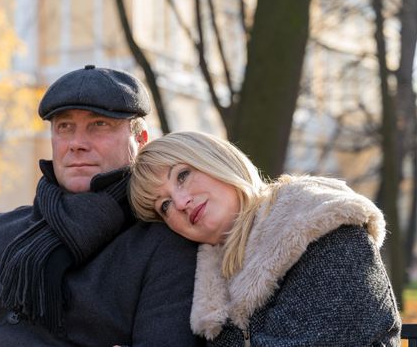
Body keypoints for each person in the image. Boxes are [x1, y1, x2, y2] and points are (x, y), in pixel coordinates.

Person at [0, 66, 204, 346]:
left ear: (140, 141)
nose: (77, 143)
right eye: (65, 127)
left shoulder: (163, 246)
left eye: (99, 125)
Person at [129, 131, 402, 346]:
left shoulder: (321, 223)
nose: (180, 202)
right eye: (163, 205)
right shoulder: (209, 283)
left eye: (183, 175)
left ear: (216, 159)